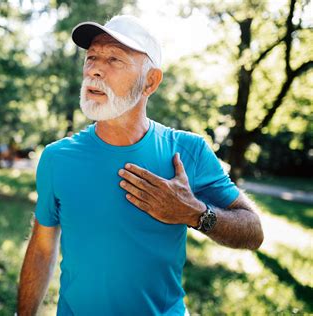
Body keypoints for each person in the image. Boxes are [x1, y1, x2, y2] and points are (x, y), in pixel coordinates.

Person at [17, 15, 264, 316]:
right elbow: (42, 247)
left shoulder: (187, 151)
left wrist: (194, 213)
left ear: (150, 81)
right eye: (92, 57)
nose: (94, 68)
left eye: (114, 59)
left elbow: (253, 232)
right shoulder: (57, 157)